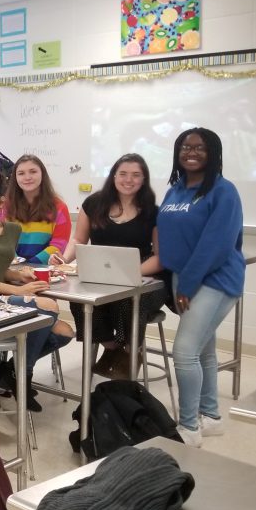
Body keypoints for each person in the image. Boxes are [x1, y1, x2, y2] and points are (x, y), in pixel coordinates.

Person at [0, 165, 74, 424]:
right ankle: (15, 378)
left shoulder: (11, 231)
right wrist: (18, 290)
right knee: (46, 306)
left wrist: (20, 275)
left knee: (63, 329)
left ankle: (14, 373)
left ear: (0, 203)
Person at [157, 127, 244, 447]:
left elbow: (216, 245)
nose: (191, 152)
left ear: (214, 154)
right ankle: (211, 416)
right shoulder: (175, 190)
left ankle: (189, 427)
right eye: (185, 147)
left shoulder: (224, 191)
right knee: (204, 348)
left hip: (215, 280)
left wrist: (189, 283)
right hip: (184, 277)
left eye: (200, 148)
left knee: (184, 352)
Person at [50, 154, 165, 379]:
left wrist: (130, 273)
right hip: (100, 279)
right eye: (123, 174)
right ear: (113, 176)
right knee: (80, 301)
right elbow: (79, 240)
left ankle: (130, 351)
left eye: (135, 175)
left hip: (143, 281)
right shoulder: (94, 204)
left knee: (128, 301)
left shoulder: (153, 211)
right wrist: (64, 259)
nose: (128, 180)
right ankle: (114, 349)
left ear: (144, 179)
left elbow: (160, 257)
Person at [6, 154, 71, 264]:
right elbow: (3, 241)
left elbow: (58, 244)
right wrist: (18, 264)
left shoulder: (60, 208)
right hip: (12, 270)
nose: (27, 177)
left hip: (44, 271)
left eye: (33, 171)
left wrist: (31, 264)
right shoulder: (5, 207)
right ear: (15, 178)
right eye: (21, 173)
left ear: (42, 174)